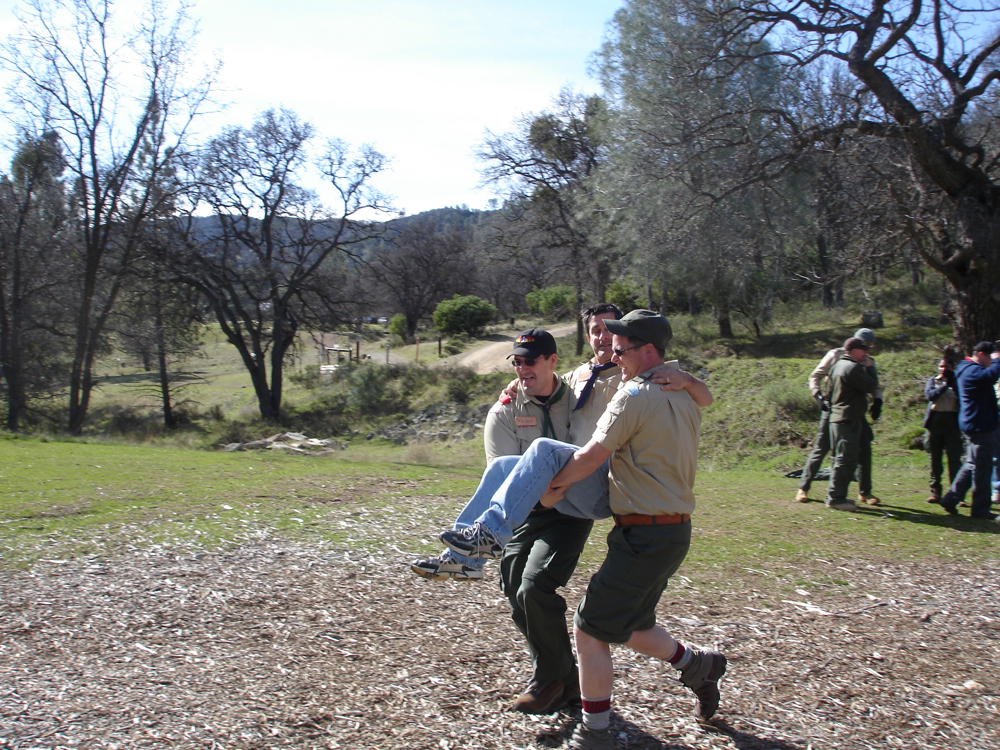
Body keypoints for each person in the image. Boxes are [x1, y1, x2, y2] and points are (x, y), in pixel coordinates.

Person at [412, 311, 711, 715]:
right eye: (597, 332)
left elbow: (592, 456)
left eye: (615, 340)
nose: (606, 344)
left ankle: (588, 716)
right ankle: (463, 556)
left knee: (557, 596)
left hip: (586, 491)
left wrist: (688, 379)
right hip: (545, 500)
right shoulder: (573, 381)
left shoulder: (637, 385)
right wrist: (523, 383)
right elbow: (549, 392)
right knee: (504, 471)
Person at [540, 309, 723, 749]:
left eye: (621, 349)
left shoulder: (634, 395)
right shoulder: (681, 389)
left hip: (646, 534)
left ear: (648, 351)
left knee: (588, 629)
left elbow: (590, 457)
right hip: (668, 533)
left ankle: (594, 732)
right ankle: (697, 665)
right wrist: (689, 379)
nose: (613, 355)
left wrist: (550, 489)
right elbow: (706, 396)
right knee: (629, 625)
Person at [795, 328, 883, 505]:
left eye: (871, 346)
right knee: (821, 448)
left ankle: (865, 491)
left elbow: (874, 384)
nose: (868, 349)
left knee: (865, 448)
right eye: (866, 345)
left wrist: (878, 400)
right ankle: (803, 488)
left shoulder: (868, 360)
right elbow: (815, 375)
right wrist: (817, 395)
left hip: (854, 409)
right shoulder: (836, 355)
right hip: (832, 406)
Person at [938, 342, 1000, 521]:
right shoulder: (972, 370)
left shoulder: (964, 368)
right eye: (989, 358)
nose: (990, 362)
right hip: (980, 426)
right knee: (983, 468)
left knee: (972, 464)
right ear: (981, 354)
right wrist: (998, 360)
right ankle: (980, 509)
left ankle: (951, 498)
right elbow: (991, 376)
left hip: (973, 424)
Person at [824, 337, 880, 512]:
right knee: (846, 459)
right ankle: (836, 498)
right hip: (847, 419)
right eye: (863, 350)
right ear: (854, 350)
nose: (866, 354)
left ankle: (836, 495)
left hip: (838, 418)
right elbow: (871, 385)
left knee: (841, 458)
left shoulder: (837, 366)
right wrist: (870, 368)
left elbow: (828, 392)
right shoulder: (852, 367)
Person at [924, 358, 963, 504]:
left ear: (952, 367)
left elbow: (962, 397)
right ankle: (935, 491)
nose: (943, 369)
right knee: (935, 458)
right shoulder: (933, 381)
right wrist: (945, 385)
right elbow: (930, 396)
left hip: (952, 421)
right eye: (941, 366)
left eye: (946, 366)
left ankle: (956, 494)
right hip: (935, 421)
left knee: (954, 458)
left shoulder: (958, 382)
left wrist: (952, 382)